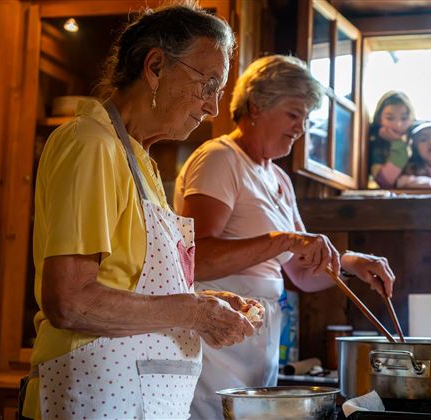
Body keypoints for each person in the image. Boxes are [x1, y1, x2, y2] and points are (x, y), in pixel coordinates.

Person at [22, 4, 263, 419]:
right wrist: (194, 311)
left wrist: (199, 301)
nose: (212, 108)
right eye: (208, 85)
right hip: (89, 397)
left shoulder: (140, 160)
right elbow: (70, 301)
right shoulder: (91, 144)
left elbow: (127, 286)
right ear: (155, 66)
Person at [173, 55, 397, 419]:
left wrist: (353, 263)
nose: (301, 128)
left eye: (306, 119)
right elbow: (198, 257)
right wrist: (285, 240)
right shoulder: (219, 159)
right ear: (258, 105)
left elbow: (301, 273)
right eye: (294, 115)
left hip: (259, 336)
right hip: (214, 336)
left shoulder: (279, 179)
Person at [367, 90, 417, 189]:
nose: (398, 125)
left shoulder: (418, 141)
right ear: (379, 119)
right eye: (390, 118)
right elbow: (384, 181)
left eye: (404, 118)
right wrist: (398, 144)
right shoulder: (375, 145)